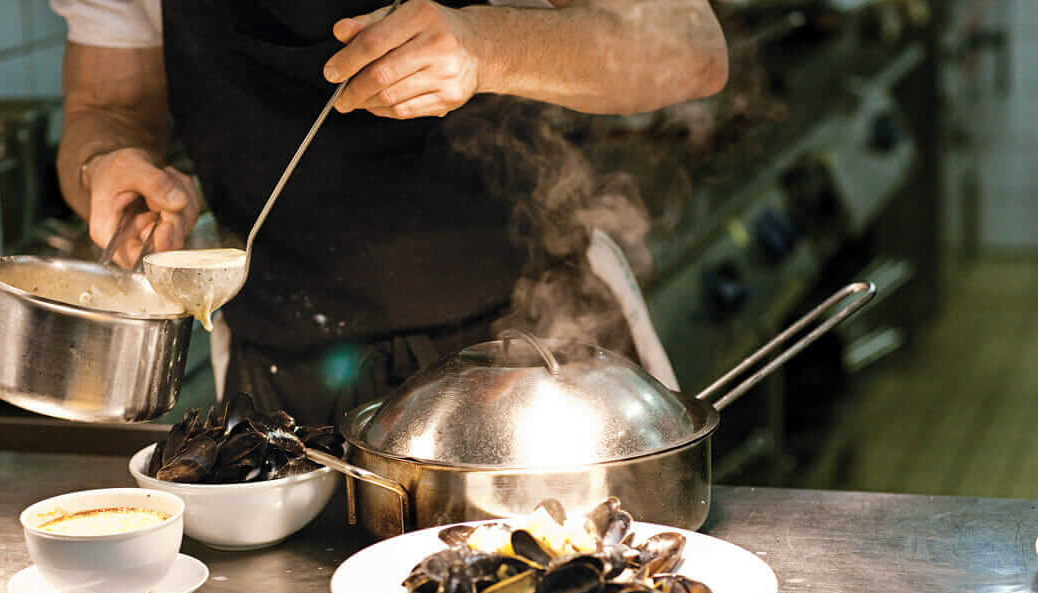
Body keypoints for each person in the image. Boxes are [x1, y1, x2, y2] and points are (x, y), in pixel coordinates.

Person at [50, 0, 728, 425]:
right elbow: (103, 112)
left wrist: (486, 47)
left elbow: (691, 48)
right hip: (283, 381)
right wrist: (105, 162)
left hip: (543, 353)